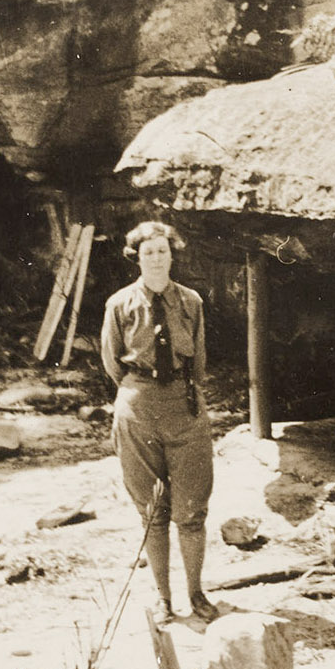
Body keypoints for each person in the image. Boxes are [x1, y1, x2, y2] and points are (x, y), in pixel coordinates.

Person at [100, 220, 218, 622]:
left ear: (172, 255)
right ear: (137, 256)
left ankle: (196, 594)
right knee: (152, 510)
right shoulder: (119, 304)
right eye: (148, 252)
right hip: (138, 408)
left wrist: (185, 395)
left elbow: (199, 360)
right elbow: (112, 361)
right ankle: (164, 598)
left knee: (192, 509)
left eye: (162, 251)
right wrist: (139, 392)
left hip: (184, 409)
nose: (156, 258)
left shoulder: (191, 301)